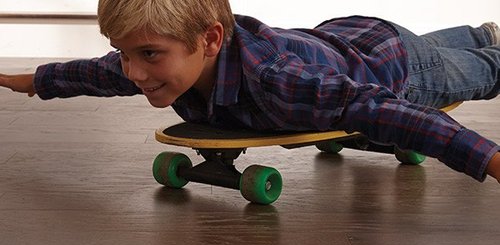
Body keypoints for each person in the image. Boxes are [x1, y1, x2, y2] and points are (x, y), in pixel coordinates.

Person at [1, 0, 499, 183]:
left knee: (478, 70)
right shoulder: (151, 61)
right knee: (462, 45)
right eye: (122, 51)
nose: (131, 71)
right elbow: (95, 73)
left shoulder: (279, 84)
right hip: (341, 34)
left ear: (211, 39)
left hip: (395, 64)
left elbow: (380, 109)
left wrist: (490, 160)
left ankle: (486, 48)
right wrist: (30, 81)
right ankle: (482, 33)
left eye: (147, 54)